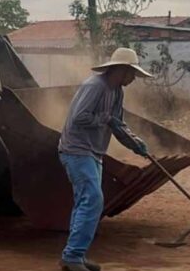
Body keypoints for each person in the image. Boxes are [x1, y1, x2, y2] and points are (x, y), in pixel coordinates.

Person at [58, 47, 153, 271]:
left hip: (94, 152)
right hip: (77, 149)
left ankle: (75, 255)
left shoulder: (117, 91)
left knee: (85, 201)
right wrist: (105, 119)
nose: (133, 79)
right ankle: (73, 256)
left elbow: (117, 124)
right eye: (132, 73)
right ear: (120, 70)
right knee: (92, 199)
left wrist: (134, 143)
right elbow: (79, 117)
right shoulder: (95, 86)